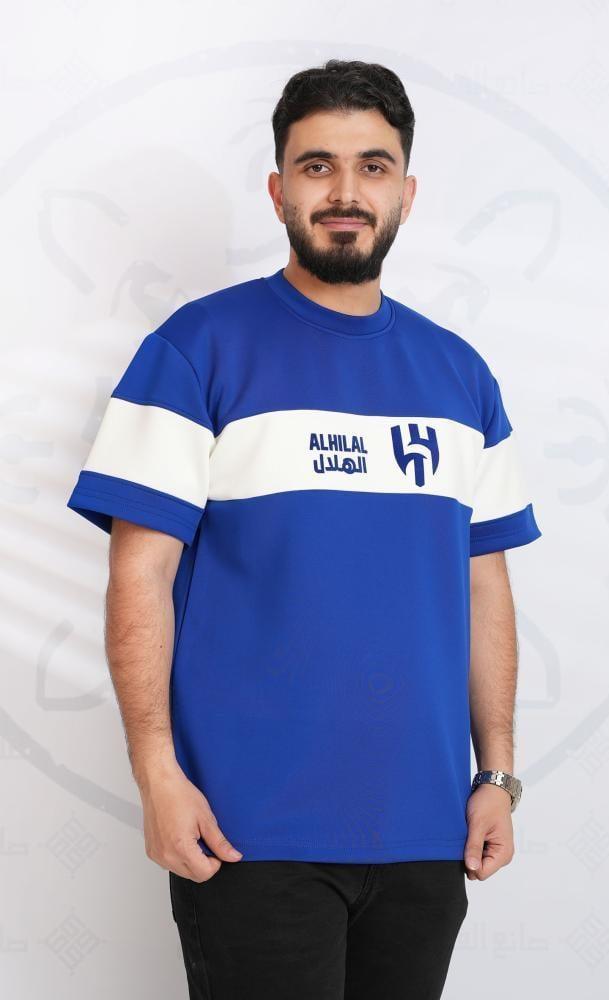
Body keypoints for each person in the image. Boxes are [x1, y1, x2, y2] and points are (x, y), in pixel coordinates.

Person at [66, 58, 542, 1000]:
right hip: (248, 830)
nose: (345, 192)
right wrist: (156, 773)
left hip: (425, 832)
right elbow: (139, 576)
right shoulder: (195, 350)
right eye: (318, 166)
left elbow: (484, 585)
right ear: (279, 190)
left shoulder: (461, 377)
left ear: (406, 193)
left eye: (373, 166)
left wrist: (498, 776)